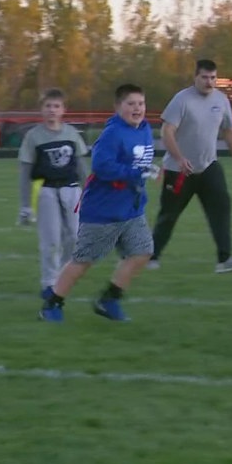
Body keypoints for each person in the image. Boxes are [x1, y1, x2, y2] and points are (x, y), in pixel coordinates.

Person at [38, 84, 160, 323]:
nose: (137, 108)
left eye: (141, 103)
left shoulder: (144, 129)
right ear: (118, 107)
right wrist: (134, 173)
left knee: (143, 252)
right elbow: (102, 166)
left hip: (132, 209)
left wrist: (146, 172)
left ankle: (109, 299)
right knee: (83, 261)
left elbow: (139, 164)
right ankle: (52, 304)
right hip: (104, 211)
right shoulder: (113, 133)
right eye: (131, 104)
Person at [149, 59, 232, 274]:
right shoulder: (182, 99)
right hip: (179, 170)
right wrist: (178, 158)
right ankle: (151, 256)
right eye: (204, 77)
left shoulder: (221, 100)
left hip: (208, 167)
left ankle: (225, 259)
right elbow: (167, 132)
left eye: (213, 77)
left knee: (221, 208)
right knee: (168, 215)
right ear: (195, 77)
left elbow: (229, 132)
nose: (209, 82)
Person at [17, 88, 91, 289]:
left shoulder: (71, 133)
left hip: (71, 190)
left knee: (75, 237)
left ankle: (63, 274)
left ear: (63, 109)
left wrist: (89, 193)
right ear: (41, 109)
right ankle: (49, 283)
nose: (52, 110)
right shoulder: (34, 136)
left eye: (56, 106)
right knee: (51, 240)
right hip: (47, 190)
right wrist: (25, 205)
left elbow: (81, 166)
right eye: (48, 106)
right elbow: (25, 171)